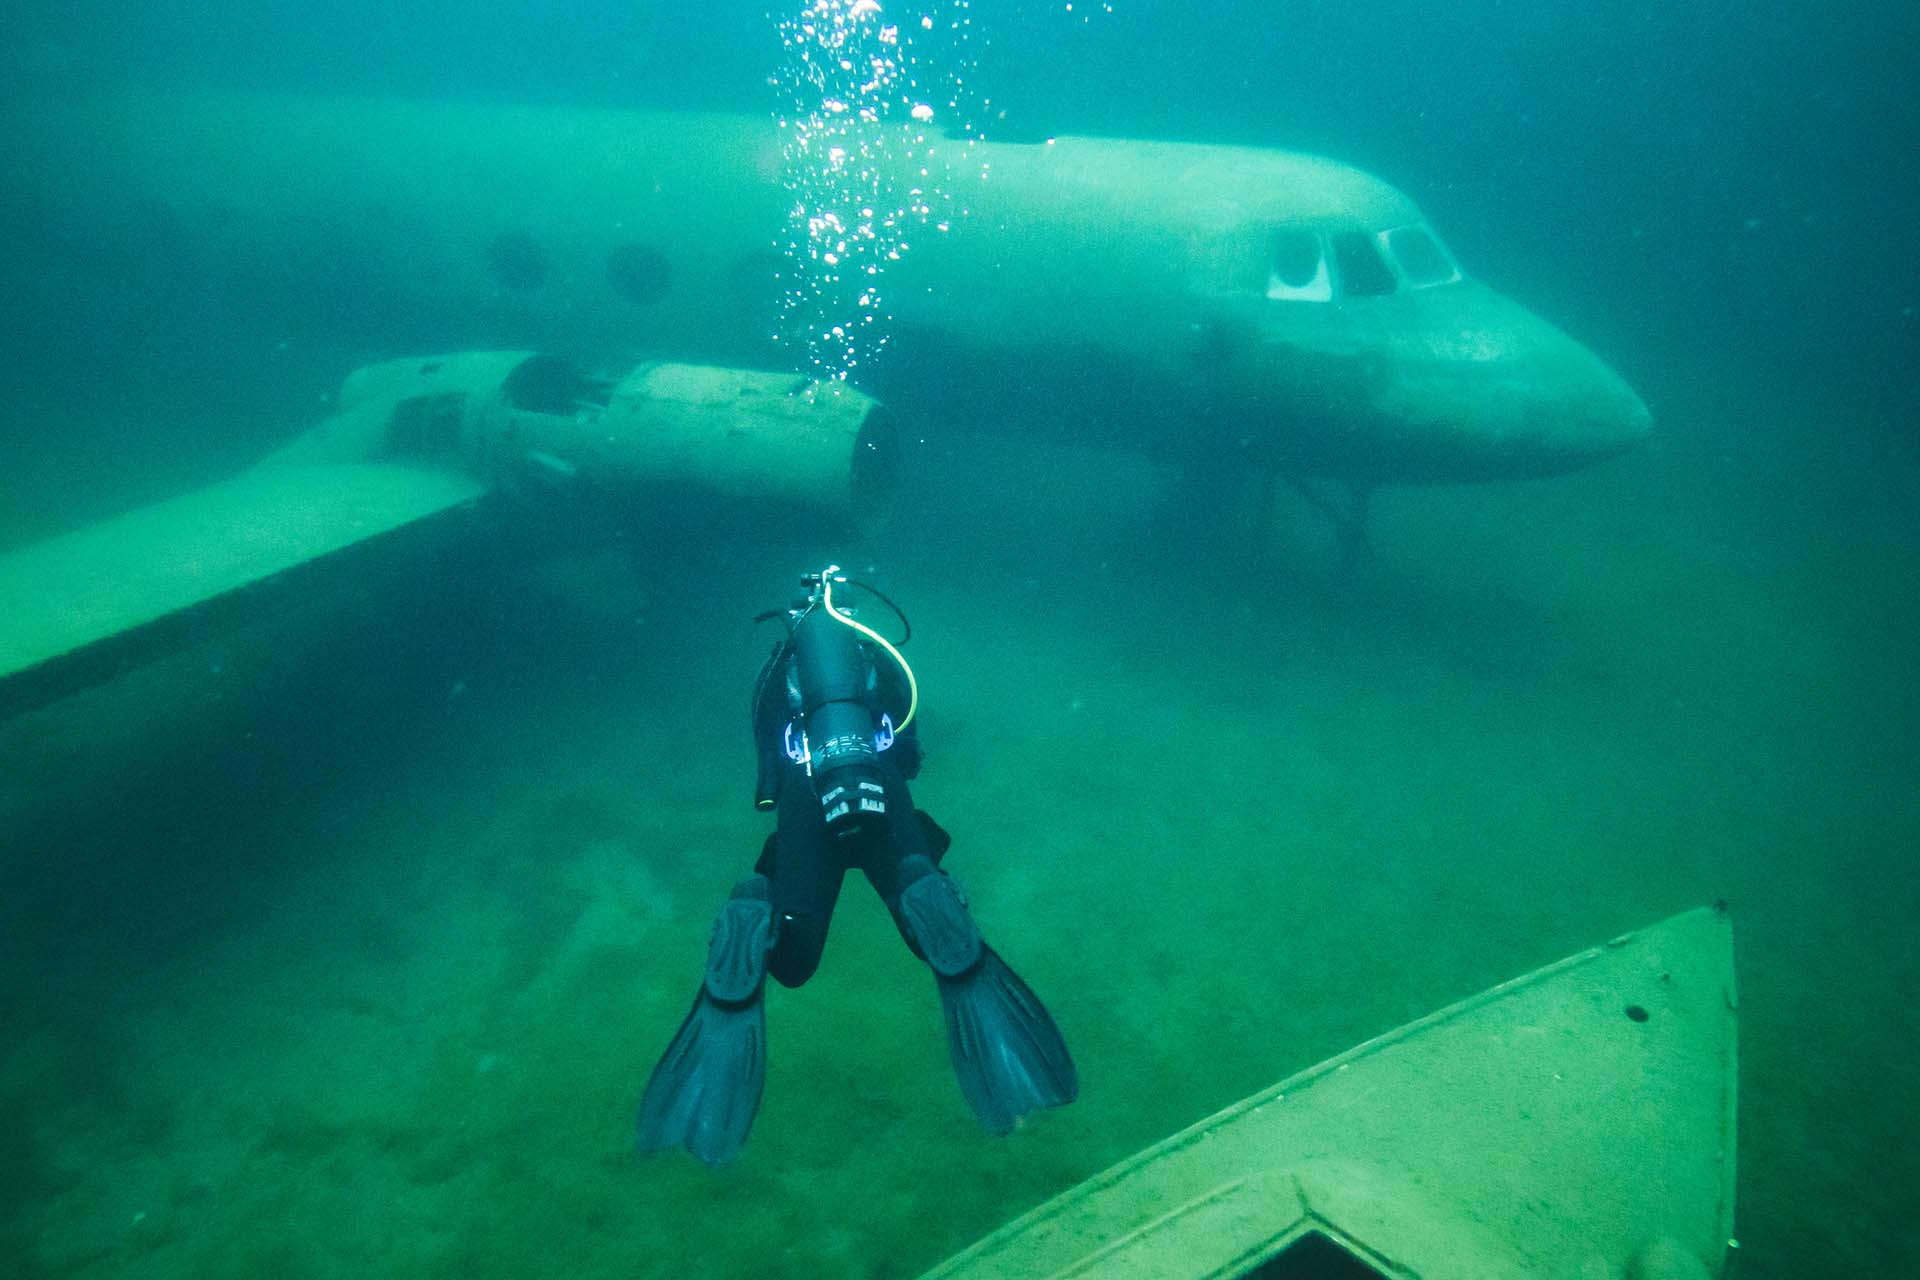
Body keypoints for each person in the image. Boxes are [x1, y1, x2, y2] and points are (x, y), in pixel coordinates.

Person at [636, 565, 1077, 1166]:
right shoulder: (879, 657)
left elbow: (767, 777)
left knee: (793, 964)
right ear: (847, 610)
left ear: (793, 625)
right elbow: (910, 749)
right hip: (880, 793)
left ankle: (752, 907)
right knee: (925, 925)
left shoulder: (777, 673)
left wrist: (793, 798)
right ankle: (929, 888)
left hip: (805, 806)